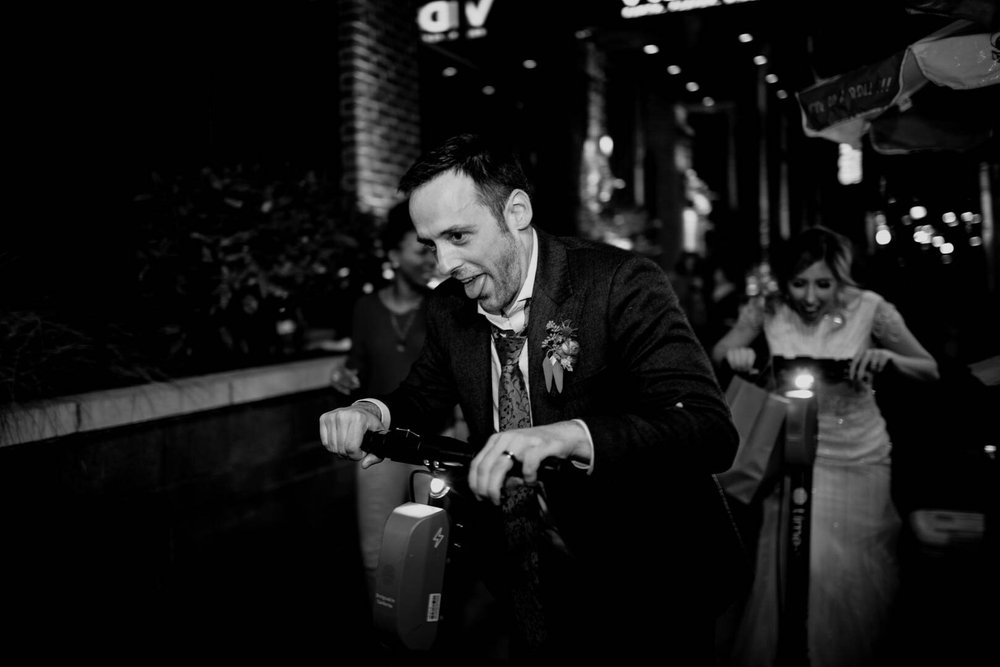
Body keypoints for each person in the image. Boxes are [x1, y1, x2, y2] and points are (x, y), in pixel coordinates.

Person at [319, 133, 741, 662]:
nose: (443, 264)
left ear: (516, 211)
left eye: (458, 236)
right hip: (525, 570)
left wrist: (568, 436)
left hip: (647, 571)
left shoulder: (619, 283)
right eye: (431, 245)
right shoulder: (450, 309)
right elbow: (420, 396)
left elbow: (708, 430)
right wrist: (369, 411)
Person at [710, 225, 940, 667]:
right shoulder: (768, 307)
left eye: (823, 284)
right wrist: (736, 356)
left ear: (841, 277)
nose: (811, 297)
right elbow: (721, 350)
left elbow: (928, 368)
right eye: (799, 283)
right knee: (797, 562)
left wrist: (887, 358)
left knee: (849, 568)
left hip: (859, 451)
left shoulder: (871, 308)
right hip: (791, 451)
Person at [328, 201, 443, 601]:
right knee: (377, 549)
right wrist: (344, 377)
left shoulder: (441, 307)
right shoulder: (366, 308)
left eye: (433, 249)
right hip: (380, 444)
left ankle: (431, 630)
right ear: (393, 256)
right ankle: (388, 632)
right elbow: (356, 364)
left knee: (434, 551)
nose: (431, 258)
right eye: (420, 249)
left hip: (433, 442)